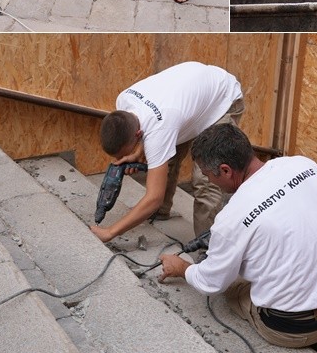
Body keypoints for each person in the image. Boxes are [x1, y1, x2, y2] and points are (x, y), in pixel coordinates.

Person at [158, 123, 317, 353]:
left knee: (233, 287)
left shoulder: (230, 219)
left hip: (291, 331)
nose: (209, 180)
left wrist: (182, 267)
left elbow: (211, 282)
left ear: (225, 170)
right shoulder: (302, 165)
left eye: (207, 174)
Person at [90, 62, 244, 242]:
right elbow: (151, 127)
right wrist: (136, 152)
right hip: (185, 100)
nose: (122, 158)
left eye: (126, 151)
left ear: (138, 134)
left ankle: (207, 248)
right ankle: (160, 213)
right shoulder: (123, 100)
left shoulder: (161, 127)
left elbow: (154, 197)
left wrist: (111, 232)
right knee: (164, 158)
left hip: (222, 99)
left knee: (206, 180)